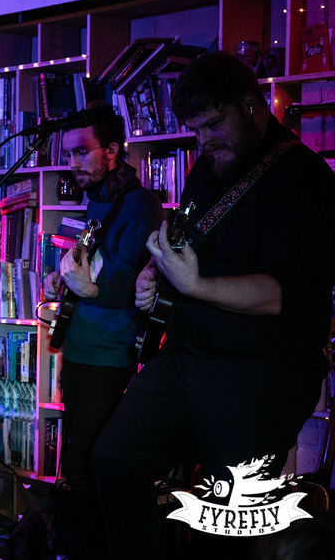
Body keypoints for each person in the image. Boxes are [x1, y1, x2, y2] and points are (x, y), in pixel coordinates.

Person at [92, 52, 335, 560]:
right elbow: (186, 237)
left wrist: (196, 285)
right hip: (187, 355)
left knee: (226, 526)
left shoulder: (304, 178)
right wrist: (155, 271)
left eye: (213, 124)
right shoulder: (207, 166)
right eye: (195, 128)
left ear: (250, 104)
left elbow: (278, 295)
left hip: (262, 371)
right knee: (114, 460)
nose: (203, 139)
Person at [41, 103, 164, 560]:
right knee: (78, 462)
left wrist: (88, 288)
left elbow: (135, 283)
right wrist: (61, 279)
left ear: (112, 151)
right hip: (79, 345)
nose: (72, 163)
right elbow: (90, 266)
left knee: (86, 463)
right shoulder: (96, 199)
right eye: (68, 154)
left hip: (110, 353)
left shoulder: (140, 203)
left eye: (81, 152)